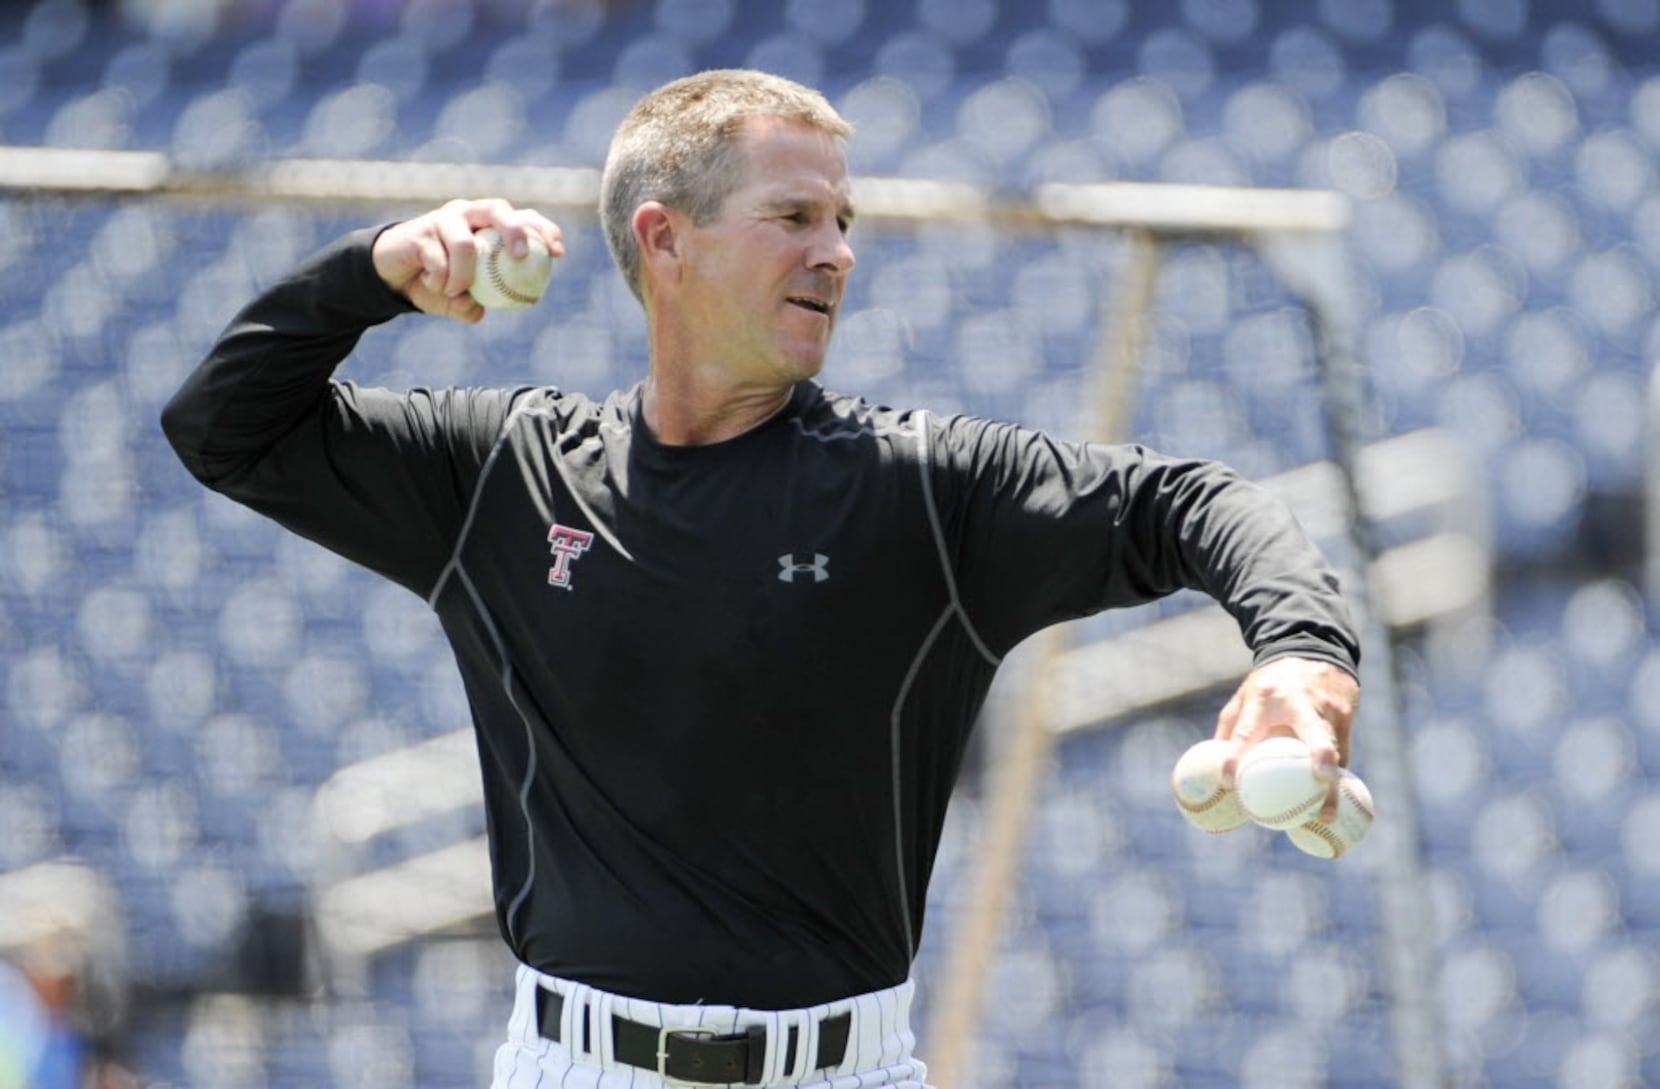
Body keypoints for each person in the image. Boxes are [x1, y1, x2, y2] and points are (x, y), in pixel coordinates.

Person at [161, 69, 1360, 1089]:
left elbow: (1199, 502)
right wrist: (373, 274)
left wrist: (1301, 653)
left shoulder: (921, 491)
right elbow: (224, 429)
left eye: (843, 220)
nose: (836, 252)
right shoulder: (502, 473)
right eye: (793, 215)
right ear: (663, 239)